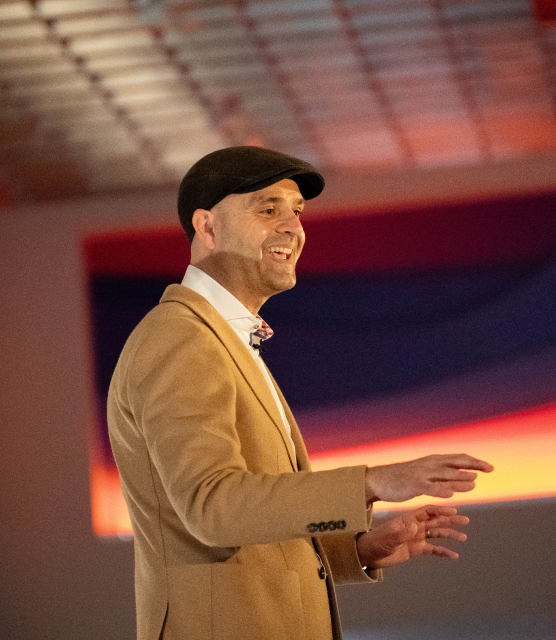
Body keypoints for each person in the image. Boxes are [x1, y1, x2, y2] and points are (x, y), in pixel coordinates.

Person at [107, 146, 494, 640]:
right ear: (207, 227)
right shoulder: (181, 338)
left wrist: (356, 549)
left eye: (296, 211)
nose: (293, 227)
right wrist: (371, 482)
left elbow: (249, 522)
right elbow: (212, 505)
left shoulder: (222, 340)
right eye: (268, 209)